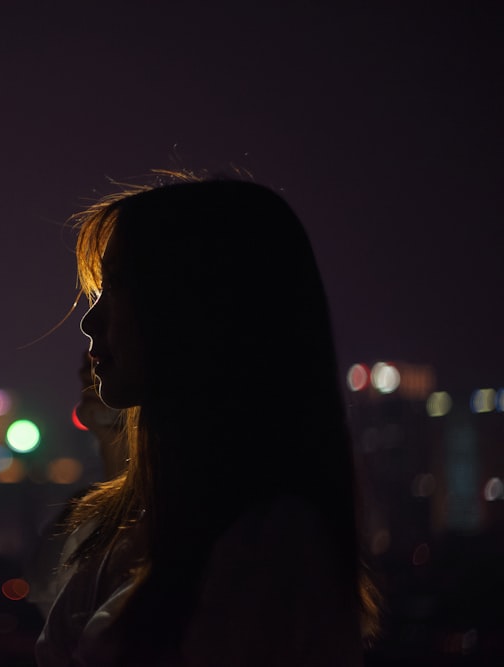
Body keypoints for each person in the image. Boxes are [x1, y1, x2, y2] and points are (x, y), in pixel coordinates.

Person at [35, 173, 380, 666]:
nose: (90, 322)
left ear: (191, 306)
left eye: (114, 288)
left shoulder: (269, 550)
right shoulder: (150, 526)